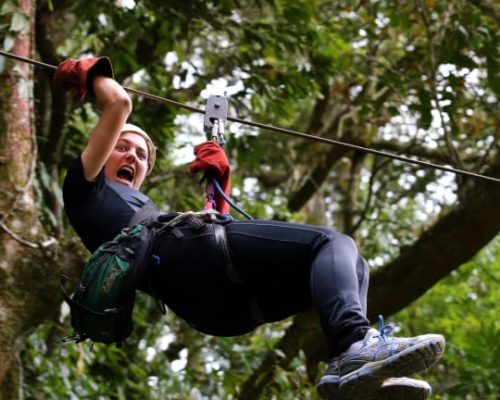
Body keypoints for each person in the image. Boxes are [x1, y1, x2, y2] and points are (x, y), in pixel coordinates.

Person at [59, 57, 444, 400]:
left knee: (353, 266)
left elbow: (206, 251)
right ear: (100, 149)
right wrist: (92, 71)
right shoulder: (85, 189)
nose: (133, 156)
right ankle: (352, 345)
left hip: (220, 310)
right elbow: (119, 104)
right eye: (121, 146)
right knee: (331, 244)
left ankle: (353, 371)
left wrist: (219, 190)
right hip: (198, 273)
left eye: (142, 155)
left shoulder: (138, 218)